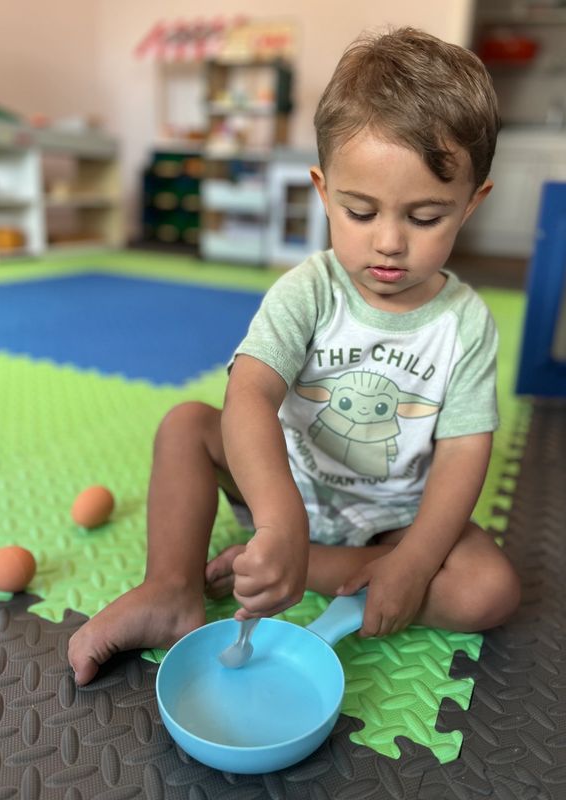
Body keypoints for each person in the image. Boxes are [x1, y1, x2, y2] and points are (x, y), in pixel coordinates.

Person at [68, 26, 521, 686]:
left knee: (492, 590)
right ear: (322, 188)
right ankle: (171, 590)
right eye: (360, 211)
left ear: (472, 203)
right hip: (284, 486)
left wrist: (416, 559)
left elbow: (462, 451)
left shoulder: (467, 324)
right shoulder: (308, 289)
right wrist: (277, 521)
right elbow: (249, 393)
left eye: (425, 218)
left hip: (388, 521)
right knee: (186, 426)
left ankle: (304, 566)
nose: (388, 242)